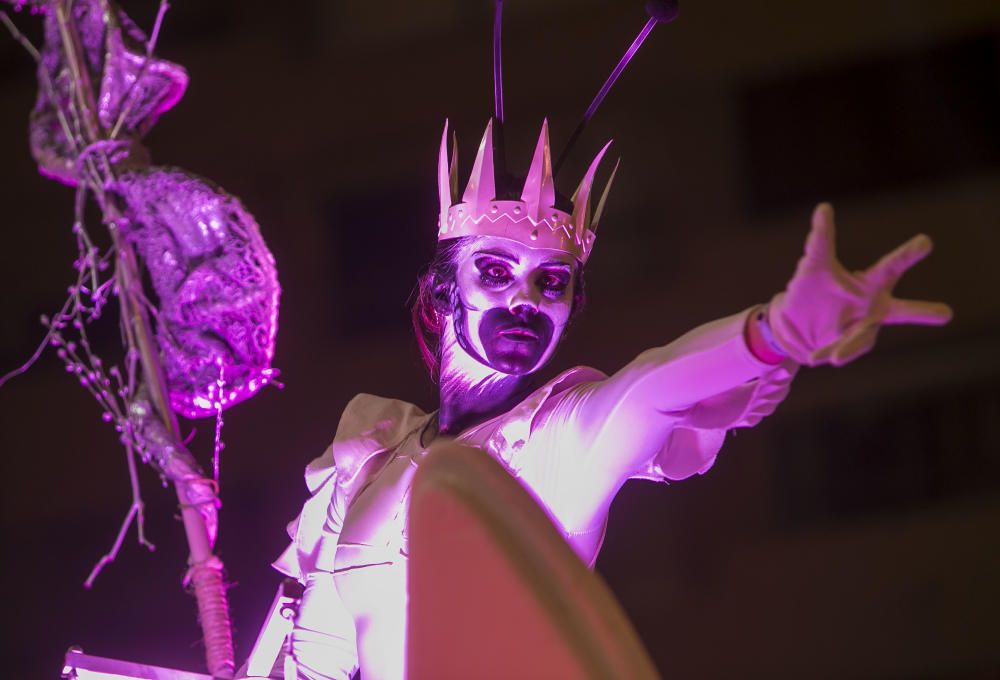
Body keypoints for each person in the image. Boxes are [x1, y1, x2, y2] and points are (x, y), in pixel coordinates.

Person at [265, 118, 951, 680]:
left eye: (552, 282)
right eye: (496, 272)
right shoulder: (370, 453)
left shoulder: (551, 447)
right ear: (445, 291)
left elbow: (650, 390)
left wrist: (775, 333)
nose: (525, 300)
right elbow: (309, 658)